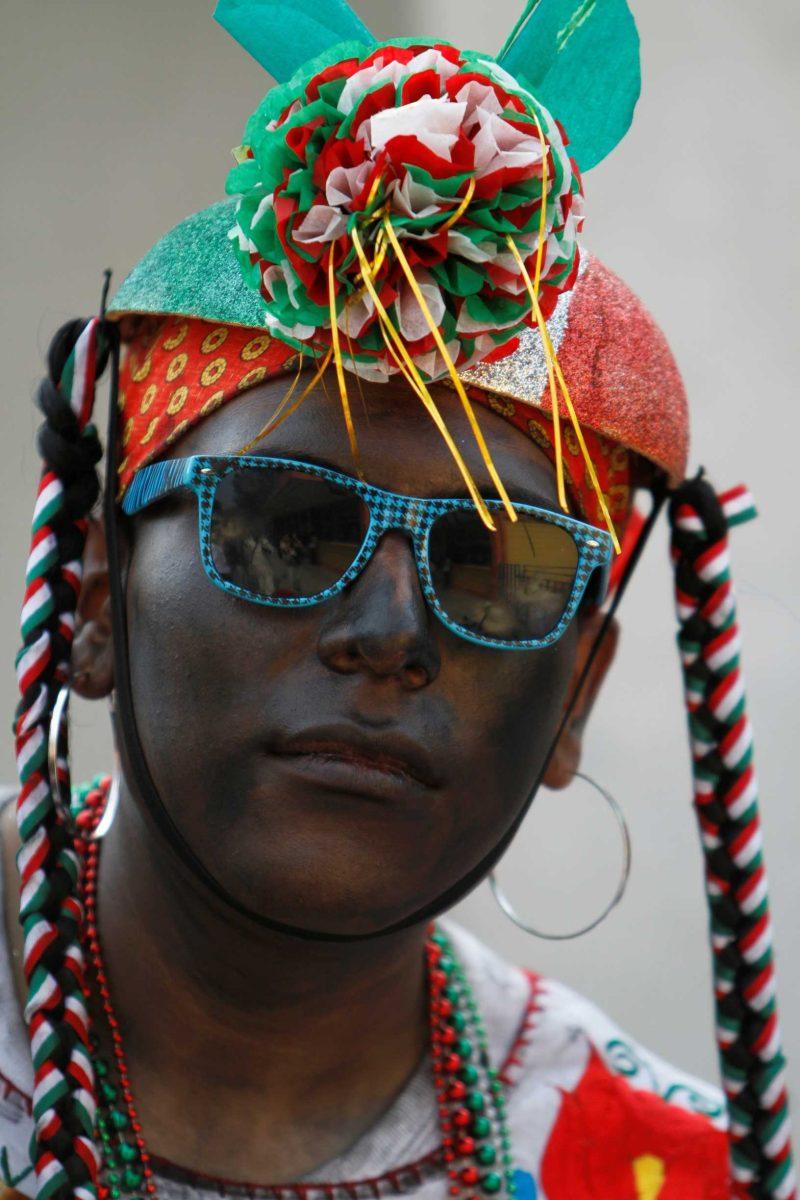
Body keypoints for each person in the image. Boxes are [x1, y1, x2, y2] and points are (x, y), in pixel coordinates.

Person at [1, 3, 794, 1200]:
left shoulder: (661, 1171)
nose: (386, 636)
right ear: (98, 597)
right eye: (283, 526)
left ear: (574, 691)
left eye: (493, 565)